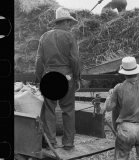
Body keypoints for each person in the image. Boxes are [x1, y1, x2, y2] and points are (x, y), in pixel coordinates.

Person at [35, 7, 81, 150]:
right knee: (68, 109)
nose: (70, 26)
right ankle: (68, 143)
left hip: (49, 76)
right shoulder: (70, 37)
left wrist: (38, 77)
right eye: (69, 23)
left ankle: (51, 142)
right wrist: (77, 77)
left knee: (49, 109)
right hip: (67, 77)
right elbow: (75, 59)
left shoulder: (44, 37)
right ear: (65, 22)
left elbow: (38, 60)